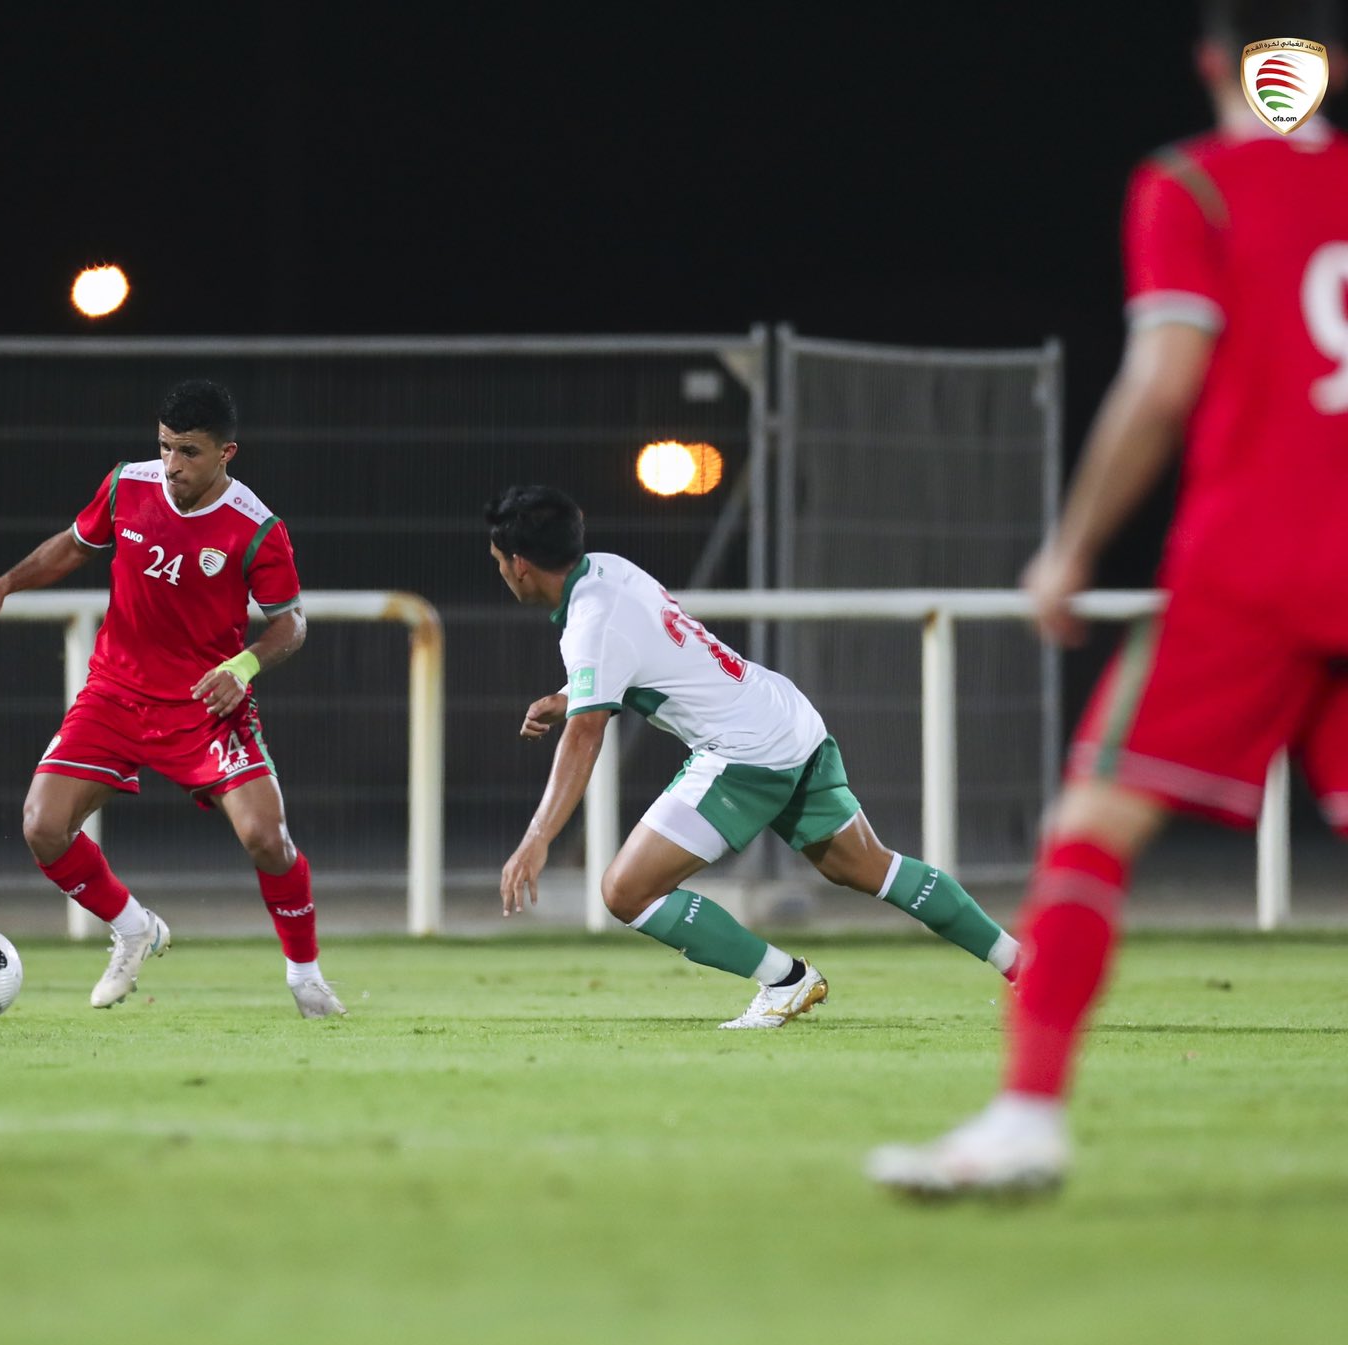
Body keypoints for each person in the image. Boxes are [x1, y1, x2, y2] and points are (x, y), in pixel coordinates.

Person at [871, 0, 1348, 1198]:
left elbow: (1163, 373)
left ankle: (1026, 1116)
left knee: (1090, 825)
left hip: (1255, 569)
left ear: (1207, 60)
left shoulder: (1192, 185)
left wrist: (1068, 547)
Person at [489, 485, 1020, 1028]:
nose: (500, 572)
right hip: (785, 715)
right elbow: (641, 656)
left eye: (498, 561)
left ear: (521, 565)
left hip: (745, 752)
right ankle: (1024, 963)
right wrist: (570, 696)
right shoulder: (608, 569)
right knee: (866, 865)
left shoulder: (590, 621)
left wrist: (536, 839)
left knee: (627, 891)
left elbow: (585, 736)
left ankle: (787, 980)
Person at [0, 380, 345, 1018]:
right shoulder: (126, 486)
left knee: (266, 838)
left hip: (203, 704)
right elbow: (75, 545)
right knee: (43, 826)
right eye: (165, 447)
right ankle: (135, 927)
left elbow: (291, 623)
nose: (172, 466)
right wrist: (3, 586)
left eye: (189, 452)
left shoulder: (256, 528)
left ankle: (304, 976)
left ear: (227, 454)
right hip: (115, 691)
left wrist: (242, 666)